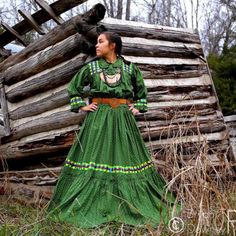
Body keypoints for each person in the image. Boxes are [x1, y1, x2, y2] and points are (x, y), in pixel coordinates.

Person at [47, 31, 179, 228]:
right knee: (94, 157)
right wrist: (82, 105)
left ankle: (125, 204)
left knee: (125, 157)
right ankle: (94, 205)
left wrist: (138, 107)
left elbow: (142, 92)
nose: (96, 46)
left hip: (123, 119)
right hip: (98, 119)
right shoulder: (91, 67)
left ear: (113, 46)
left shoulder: (129, 68)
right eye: (96, 42)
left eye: (101, 42)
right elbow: (73, 88)